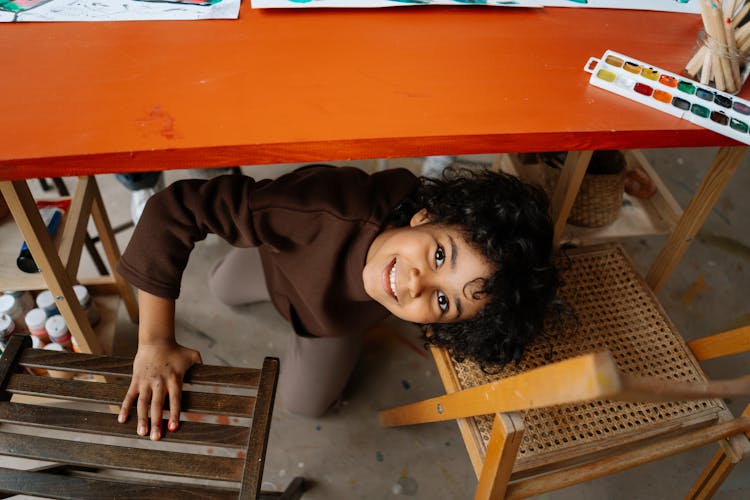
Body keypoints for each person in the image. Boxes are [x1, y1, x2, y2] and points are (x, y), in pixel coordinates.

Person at [115, 164, 559, 441]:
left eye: (444, 301)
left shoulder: (394, 279)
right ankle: (253, 234)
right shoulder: (310, 210)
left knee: (306, 403)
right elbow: (171, 209)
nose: (417, 284)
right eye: (440, 254)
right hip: (281, 261)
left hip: (335, 320)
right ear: (426, 216)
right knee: (221, 288)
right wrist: (154, 341)